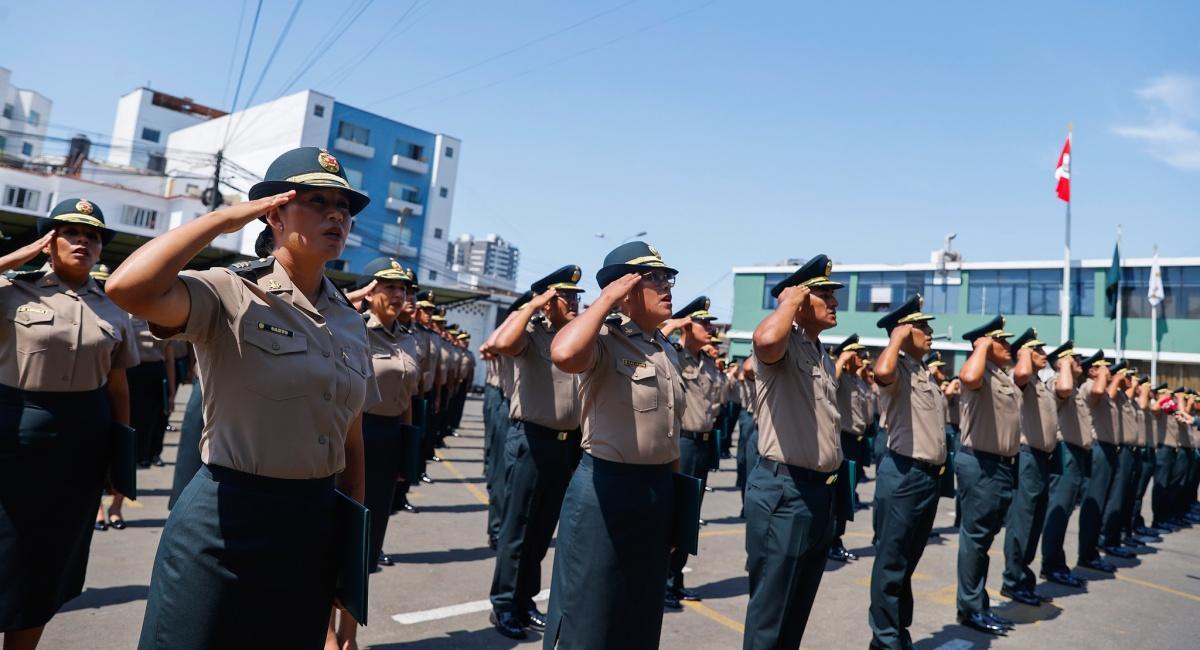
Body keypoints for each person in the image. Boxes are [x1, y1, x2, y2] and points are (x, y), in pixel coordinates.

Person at [105, 146, 380, 649]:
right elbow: (128, 288)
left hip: (312, 526)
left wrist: (349, 549)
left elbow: (352, 441)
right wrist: (223, 219)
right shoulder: (230, 291)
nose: (336, 215)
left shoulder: (349, 321)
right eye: (317, 202)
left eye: (343, 206)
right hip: (227, 522)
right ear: (274, 212)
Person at [0, 199, 139, 650]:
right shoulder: (11, 290)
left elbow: (118, 388)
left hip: (82, 444)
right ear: (48, 243)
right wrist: (15, 257)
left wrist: (121, 457)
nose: (84, 241)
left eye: (93, 236)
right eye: (70, 233)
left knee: (47, 561)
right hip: (11, 434)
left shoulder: (114, 309)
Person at [544, 241, 684, 649]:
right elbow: (564, 353)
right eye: (653, 278)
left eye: (667, 276)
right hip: (606, 491)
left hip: (657, 491)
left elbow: (670, 437)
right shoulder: (604, 338)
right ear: (626, 288)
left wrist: (673, 503)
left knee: (639, 616)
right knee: (589, 616)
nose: (666, 285)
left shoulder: (666, 350)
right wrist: (605, 300)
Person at [743, 254, 843, 649]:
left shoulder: (821, 355)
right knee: (771, 615)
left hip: (818, 493)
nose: (835, 302)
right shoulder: (781, 346)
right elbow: (766, 340)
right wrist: (787, 301)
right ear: (802, 303)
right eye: (824, 295)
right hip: (784, 493)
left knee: (796, 610)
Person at [487, 265, 584, 639]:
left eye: (577, 295)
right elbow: (500, 344)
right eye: (566, 296)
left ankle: (525, 601)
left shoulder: (574, 338)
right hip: (531, 440)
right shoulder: (531, 333)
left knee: (542, 531)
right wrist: (533, 305)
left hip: (566, 447)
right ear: (548, 300)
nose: (575, 301)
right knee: (517, 530)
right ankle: (504, 604)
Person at [868, 295, 946, 649]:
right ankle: (885, 640)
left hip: (926, 478)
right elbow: (881, 372)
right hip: (902, 474)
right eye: (922, 326)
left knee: (907, 563)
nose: (929, 332)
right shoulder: (896, 367)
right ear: (902, 331)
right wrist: (896, 337)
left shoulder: (922, 371)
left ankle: (897, 631)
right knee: (891, 563)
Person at [954, 315, 1018, 636]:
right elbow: (967, 376)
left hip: (1001, 466)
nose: (1009, 345)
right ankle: (970, 608)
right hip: (980, 463)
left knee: (984, 538)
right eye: (1001, 340)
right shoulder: (978, 372)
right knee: (975, 539)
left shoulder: (1001, 376)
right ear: (987, 343)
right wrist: (980, 346)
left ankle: (978, 601)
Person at [661, 296, 722, 607]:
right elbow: (656, 338)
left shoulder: (709, 363)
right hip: (681, 443)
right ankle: (662, 584)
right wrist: (676, 325)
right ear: (687, 326)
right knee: (674, 515)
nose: (710, 328)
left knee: (688, 517)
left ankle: (675, 582)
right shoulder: (673, 354)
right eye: (703, 322)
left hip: (702, 444)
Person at [1000, 328, 1064, 607]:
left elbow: (1065, 388)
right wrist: (1023, 352)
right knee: (1022, 522)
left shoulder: (1042, 383)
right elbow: (1021, 374)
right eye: (1037, 350)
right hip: (1026, 457)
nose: (1044, 354)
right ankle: (1012, 579)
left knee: (1035, 522)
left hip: (1043, 459)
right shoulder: (1023, 379)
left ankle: (1023, 578)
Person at [482, 292, 531, 549]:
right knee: (501, 474)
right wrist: (516, 316)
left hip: (530, 417)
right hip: (506, 406)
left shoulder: (542, 333)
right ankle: (497, 530)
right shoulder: (516, 333)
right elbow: (490, 346)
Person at [1037, 343, 1089, 587]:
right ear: (1061, 362)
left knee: (1065, 509)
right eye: (1074, 358)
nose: (1079, 362)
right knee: (1058, 511)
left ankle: (1056, 561)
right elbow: (1064, 387)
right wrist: (1064, 364)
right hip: (1065, 452)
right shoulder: (1058, 382)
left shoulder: (1075, 386)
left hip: (1076, 454)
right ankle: (1052, 564)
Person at [828, 333, 870, 562]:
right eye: (858, 354)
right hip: (843, 439)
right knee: (838, 494)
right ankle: (832, 541)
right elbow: (829, 384)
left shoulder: (857, 380)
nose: (863, 358)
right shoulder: (841, 377)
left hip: (857, 441)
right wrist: (841, 360)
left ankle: (836, 539)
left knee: (846, 494)